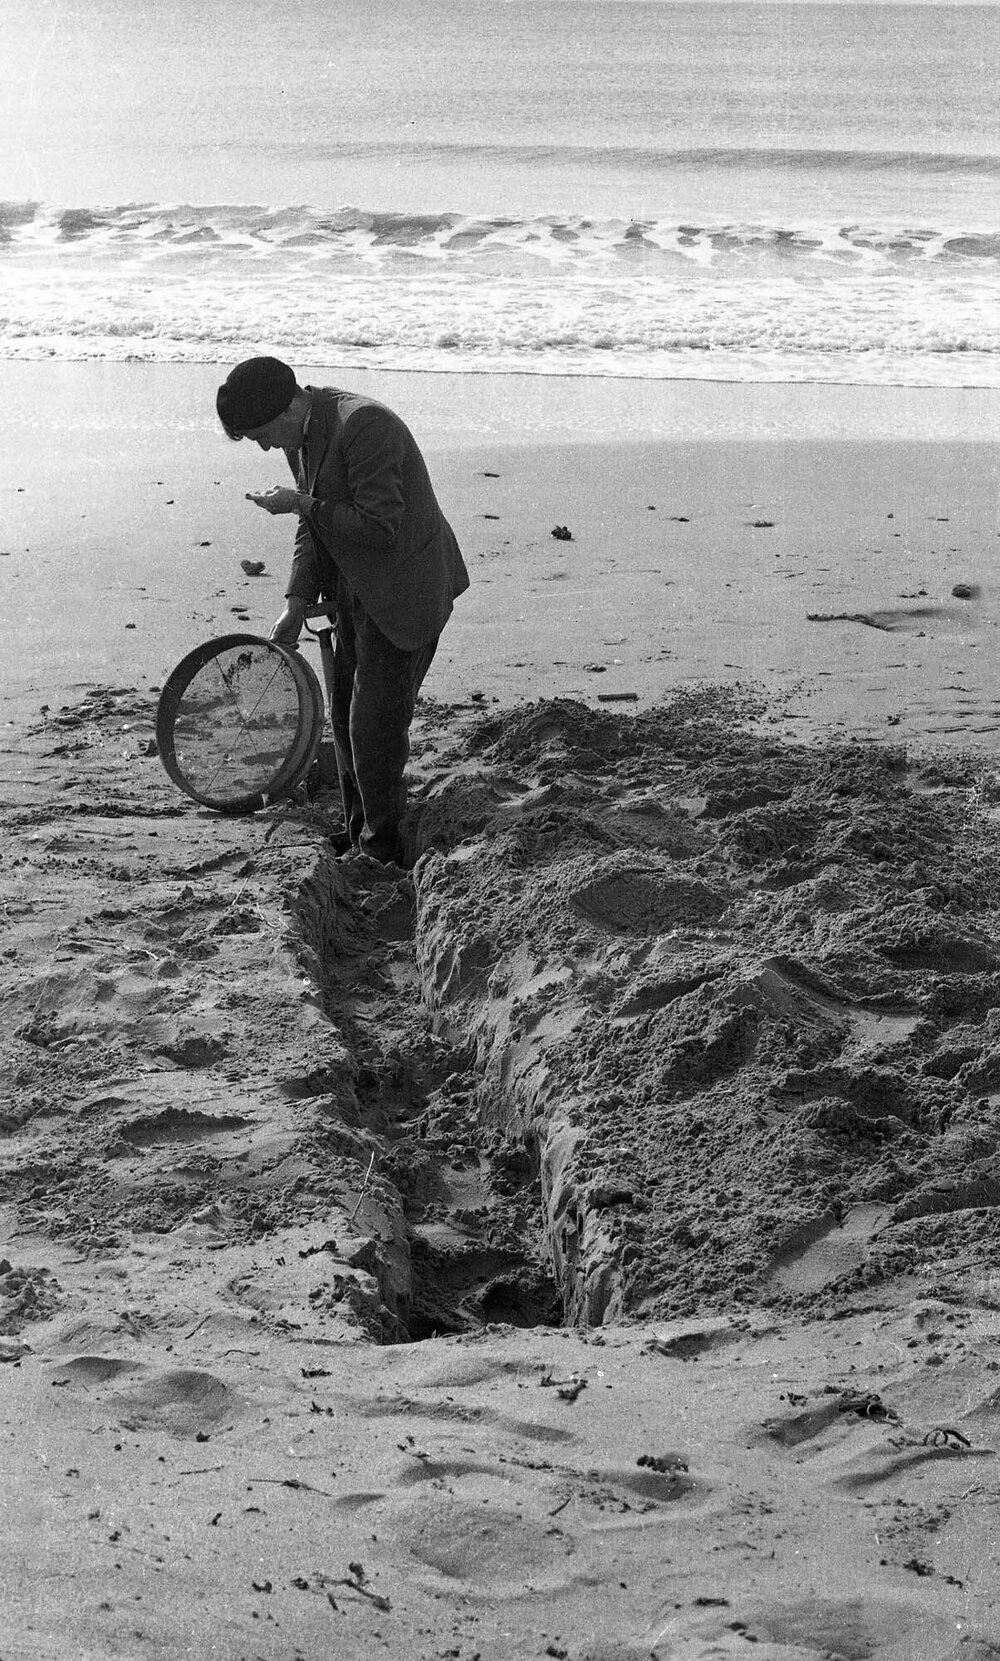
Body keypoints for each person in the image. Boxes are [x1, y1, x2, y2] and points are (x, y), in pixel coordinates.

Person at [216, 356, 469, 867]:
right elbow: (314, 528)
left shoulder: (365, 426)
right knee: (344, 715)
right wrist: (294, 602)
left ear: (287, 406)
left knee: (373, 726)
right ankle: (361, 834)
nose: (266, 447)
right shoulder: (302, 433)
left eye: (262, 435)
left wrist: (302, 504)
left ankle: (381, 849)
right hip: (354, 589)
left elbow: (380, 528)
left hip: (405, 591)